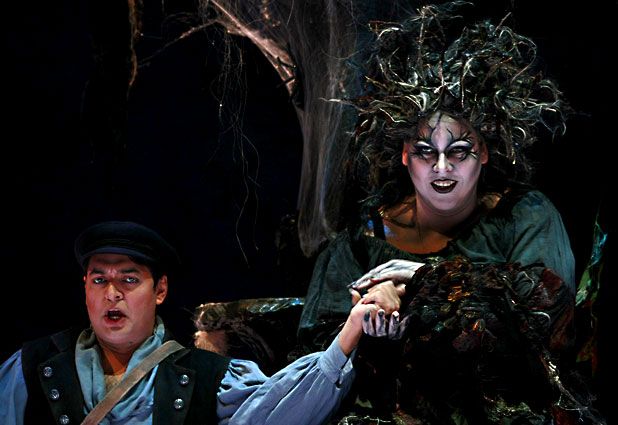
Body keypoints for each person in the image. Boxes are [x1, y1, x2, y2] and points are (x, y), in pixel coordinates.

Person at [295, 3, 603, 424]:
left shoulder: (524, 216)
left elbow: (546, 317)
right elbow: (314, 354)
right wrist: (369, 318)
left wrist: (422, 283)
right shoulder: (363, 239)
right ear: (405, 155)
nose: (442, 168)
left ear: (484, 153)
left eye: (458, 151)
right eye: (426, 152)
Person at [0, 220, 380, 425]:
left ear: (160, 290)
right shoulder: (32, 368)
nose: (112, 293)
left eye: (129, 280)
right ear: (84, 286)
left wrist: (349, 332)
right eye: (99, 280)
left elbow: (274, 410)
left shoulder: (207, 378)